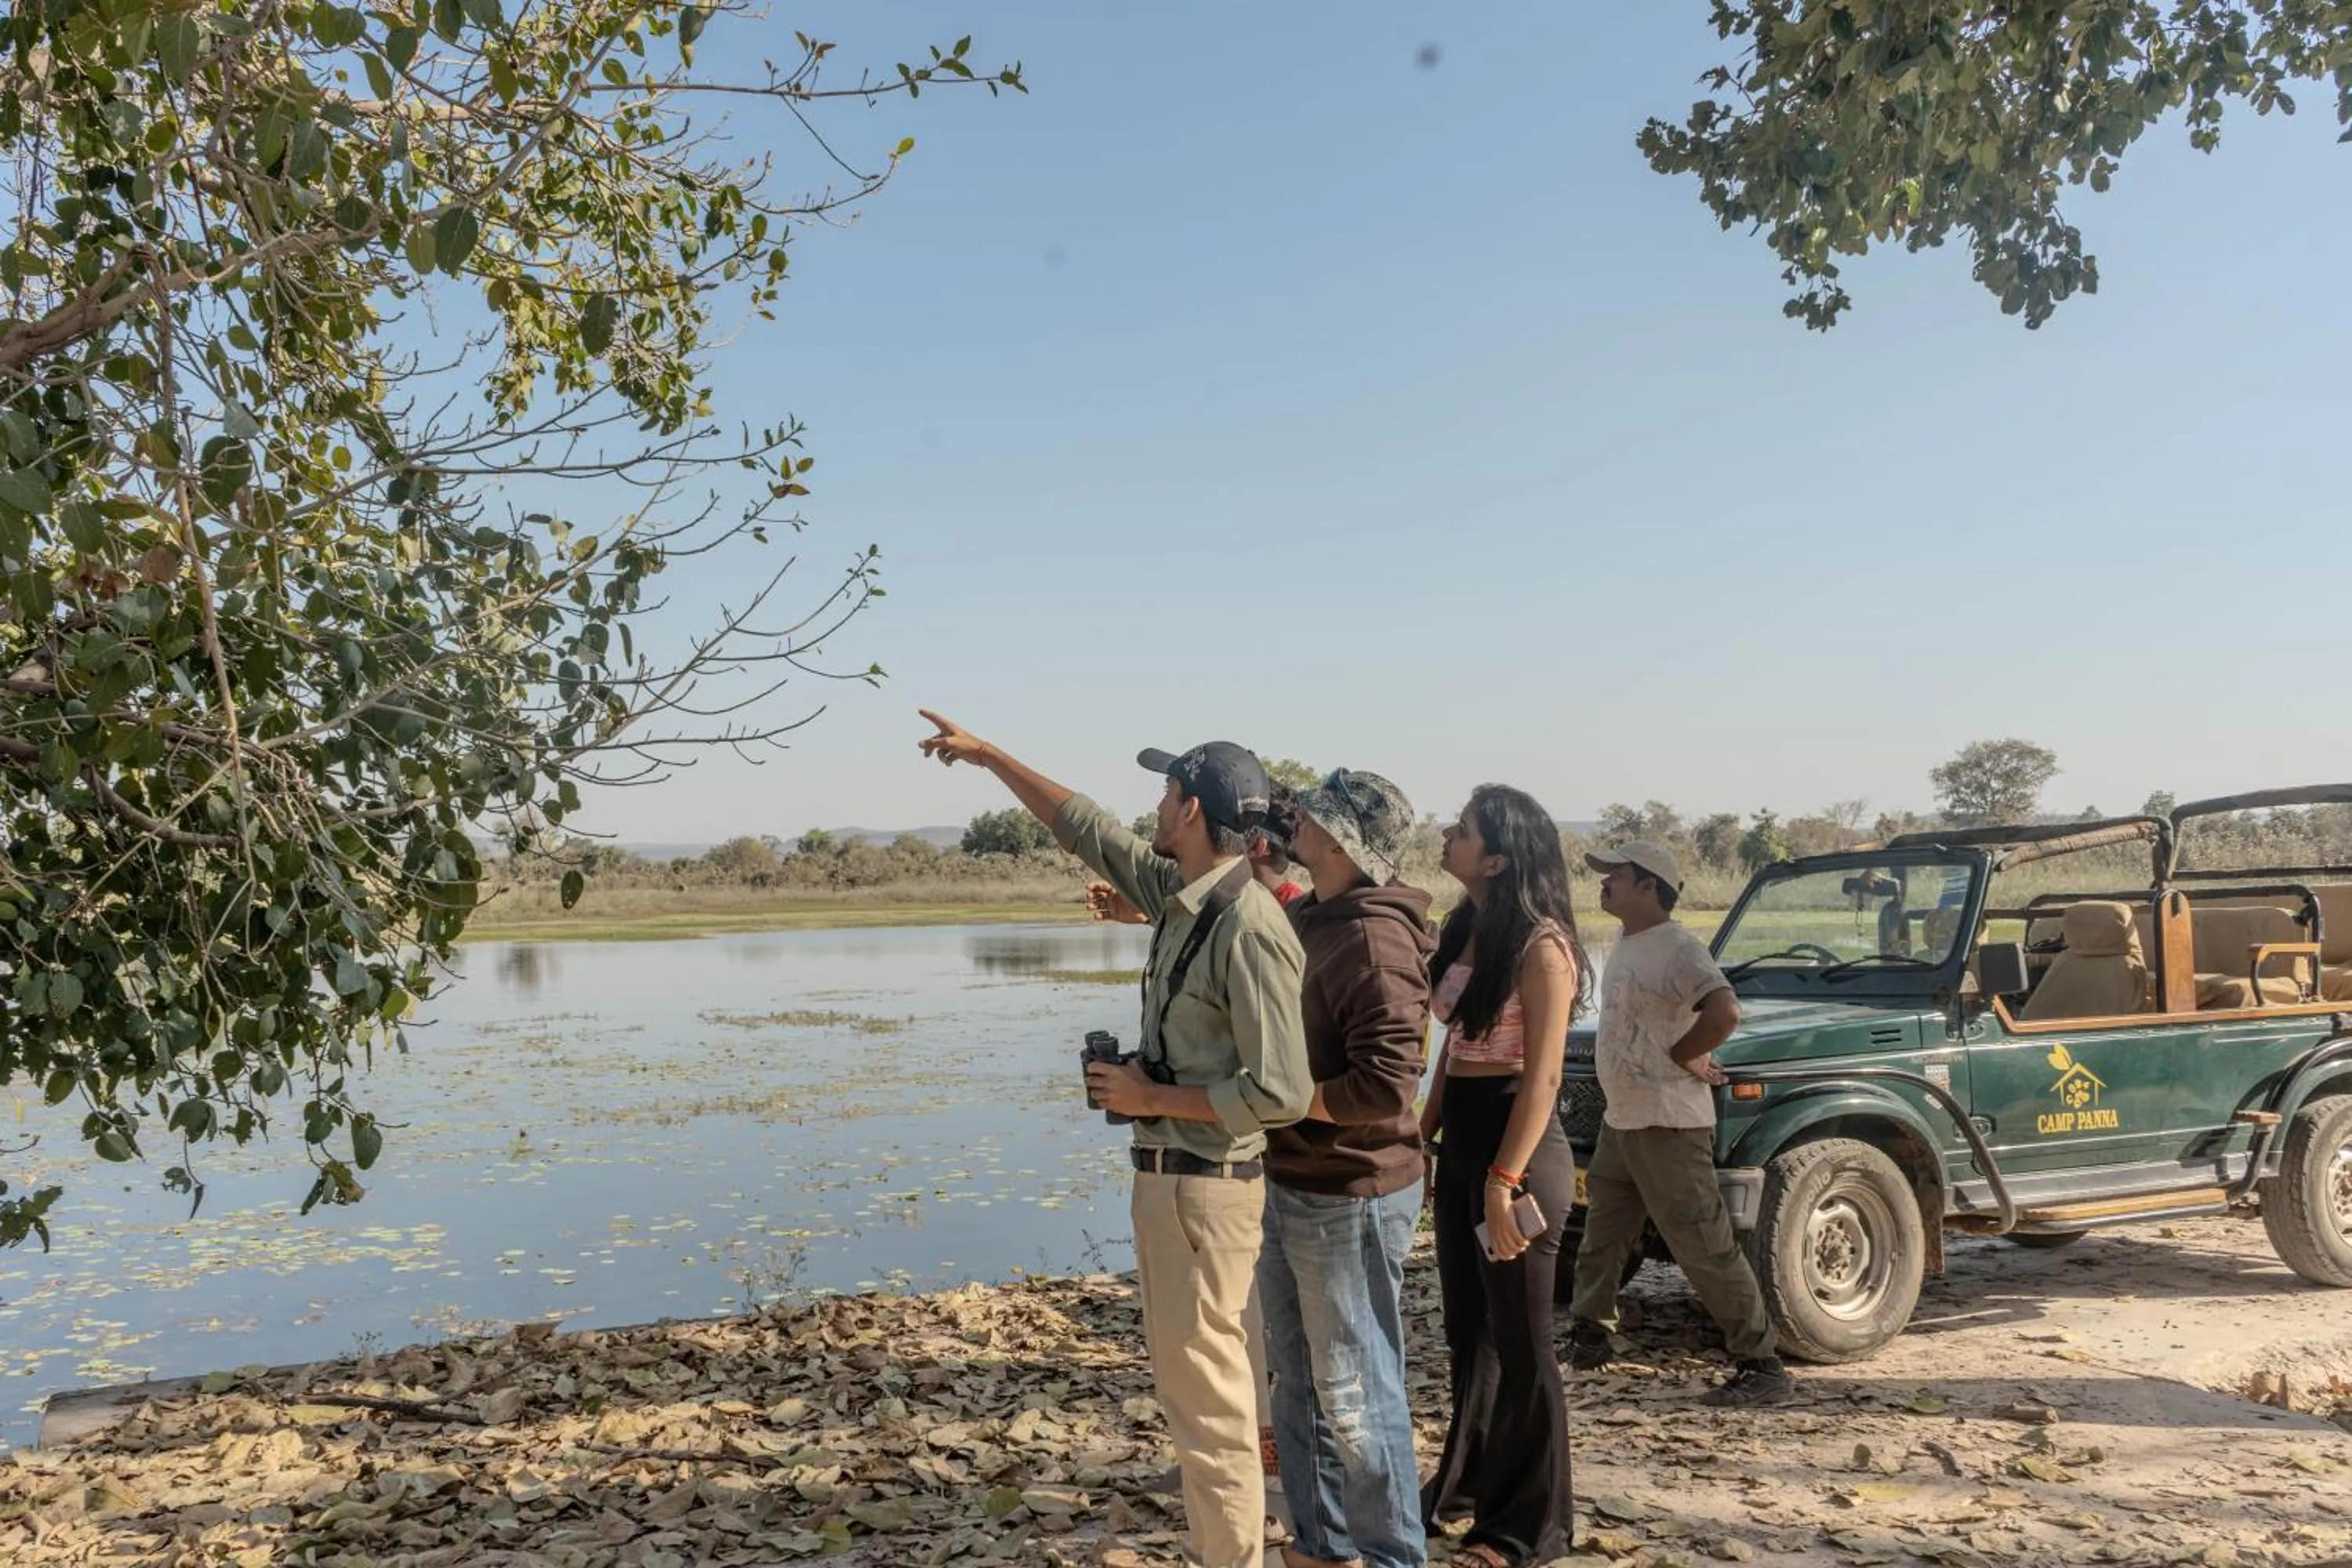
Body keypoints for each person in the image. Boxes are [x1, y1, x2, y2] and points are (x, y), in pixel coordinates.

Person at [916, 712, 1312, 1568]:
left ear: (1197, 812)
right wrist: (991, 756)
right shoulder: (1182, 898)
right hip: (1177, 1185)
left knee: (1207, 1403)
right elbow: (1082, 824)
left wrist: (1152, 1092)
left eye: (1169, 791)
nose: (1156, 804)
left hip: (1206, 1188)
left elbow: (1282, 1090)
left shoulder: (1247, 922)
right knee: (1204, 1393)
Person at [1255, 768, 1434, 1568]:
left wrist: (1281, 1100)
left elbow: (1388, 1083)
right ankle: (1322, 1546)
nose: (1300, 822)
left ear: (1338, 839)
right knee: (1300, 1380)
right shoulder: (1324, 911)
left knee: (1357, 1390)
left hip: (1352, 1188)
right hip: (1299, 1176)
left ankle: (1394, 1553)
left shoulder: (1373, 937)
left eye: (1313, 817)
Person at [1417, 785, 1588, 1568]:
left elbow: (1544, 1076)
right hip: (1463, 1141)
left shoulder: (1542, 947)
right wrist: (1423, 1132)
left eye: (1462, 830)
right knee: (1469, 1333)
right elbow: (1454, 1047)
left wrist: (1501, 1178)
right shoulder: (1465, 927)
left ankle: (1531, 1527)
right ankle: (1463, 1489)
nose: (1447, 835)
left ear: (1495, 857)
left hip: (1518, 1150)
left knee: (1522, 1342)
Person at [1566, 842, 1795, 1408]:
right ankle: (1589, 1338)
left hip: (1667, 1123)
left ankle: (1761, 1363)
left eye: (1616, 875)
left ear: (1649, 887)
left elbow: (1725, 1011)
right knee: (1603, 1235)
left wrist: (1681, 1055)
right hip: (1626, 1119)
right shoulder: (1629, 942)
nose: (1605, 883)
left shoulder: (1678, 948)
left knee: (1702, 1242)